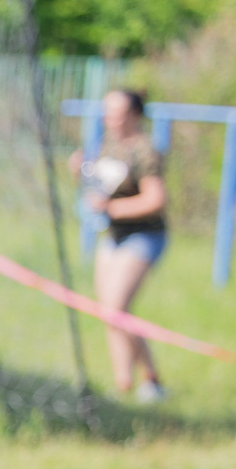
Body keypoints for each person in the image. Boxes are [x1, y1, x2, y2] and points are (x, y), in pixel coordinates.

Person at [71, 88, 169, 401]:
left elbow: (155, 199)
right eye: (107, 110)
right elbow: (102, 186)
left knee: (116, 308)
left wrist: (112, 209)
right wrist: (80, 171)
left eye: (116, 111)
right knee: (109, 313)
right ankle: (123, 384)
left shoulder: (145, 151)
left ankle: (151, 381)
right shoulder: (107, 145)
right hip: (113, 235)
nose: (109, 117)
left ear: (134, 114)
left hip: (143, 235)